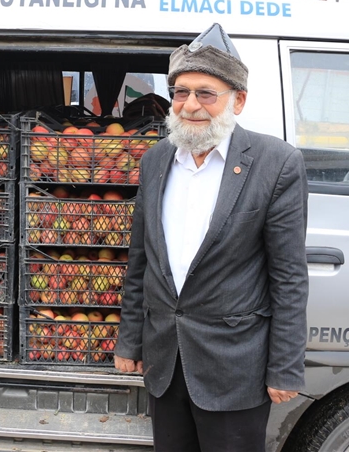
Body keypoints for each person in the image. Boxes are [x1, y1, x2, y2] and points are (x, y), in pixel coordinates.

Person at [114, 23, 309, 452]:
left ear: (237, 100)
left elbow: (289, 276)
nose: (190, 105)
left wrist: (285, 368)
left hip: (235, 365)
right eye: (181, 92)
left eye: (206, 93)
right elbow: (141, 261)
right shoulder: (156, 160)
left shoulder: (276, 163)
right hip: (166, 358)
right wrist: (129, 340)